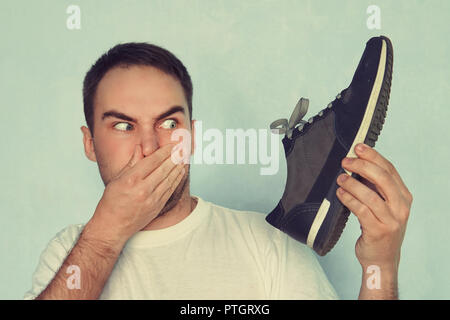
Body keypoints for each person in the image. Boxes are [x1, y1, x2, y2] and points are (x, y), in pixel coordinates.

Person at [24, 42, 412, 300]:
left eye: (169, 124)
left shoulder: (267, 244)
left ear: (192, 138)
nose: (149, 147)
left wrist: (380, 265)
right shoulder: (71, 251)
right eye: (123, 126)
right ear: (90, 143)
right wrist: (105, 237)